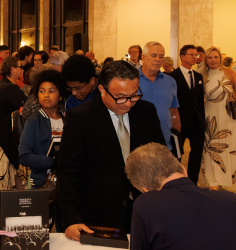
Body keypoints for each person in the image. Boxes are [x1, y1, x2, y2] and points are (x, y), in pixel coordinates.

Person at [58, 61, 165, 239]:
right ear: (101, 90)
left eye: (134, 95)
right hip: (99, 214)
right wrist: (71, 219)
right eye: (121, 97)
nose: (129, 103)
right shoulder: (80, 118)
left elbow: (160, 159)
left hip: (143, 211)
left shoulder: (146, 112)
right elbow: (69, 172)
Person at [200, 46, 236, 188]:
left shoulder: (229, 72)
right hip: (211, 117)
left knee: (229, 145)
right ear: (206, 59)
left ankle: (226, 178)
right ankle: (213, 180)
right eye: (210, 57)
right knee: (212, 148)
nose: (213, 60)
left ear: (220, 58)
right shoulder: (202, 75)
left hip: (229, 116)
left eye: (216, 57)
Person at [18, 69, 65, 189]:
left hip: (66, 181)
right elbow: (24, 156)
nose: (46, 95)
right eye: (42, 91)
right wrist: (53, 162)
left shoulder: (67, 120)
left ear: (60, 96)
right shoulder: (34, 121)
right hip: (41, 182)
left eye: (52, 91)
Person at [169, 44, 206, 186]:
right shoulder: (173, 77)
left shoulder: (197, 76)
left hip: (197, 122)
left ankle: (192, 183)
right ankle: (175, 182)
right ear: (182, 56)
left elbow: (199, 100)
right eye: (191, 54)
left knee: (197, 152)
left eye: (196, 55)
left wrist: (202, 119)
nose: (194, 57)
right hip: (180, 120)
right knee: (177, 154)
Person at [0, 56, 28, 193]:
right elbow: (28, 105)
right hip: (6, 137)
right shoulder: (10, 88)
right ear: (13, 69)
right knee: (6, 175)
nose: (22, 70)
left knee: (10, 173)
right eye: (20, 67)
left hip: (3, 134)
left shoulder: (4, 84)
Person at [138, 41, 180, 149]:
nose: (158, 59)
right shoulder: (131, 80)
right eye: (153, 55)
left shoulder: (170, 82)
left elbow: (173, 111)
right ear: (143, 57)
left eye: (161, 56)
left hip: (165, 142)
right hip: (138, 142)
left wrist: (178, 137)